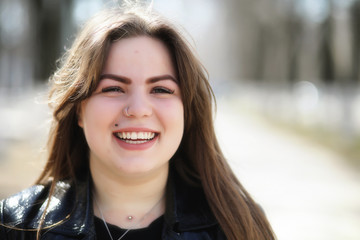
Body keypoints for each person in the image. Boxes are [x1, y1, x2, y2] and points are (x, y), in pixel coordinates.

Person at [0, 5, 276, 240]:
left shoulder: (238, 227)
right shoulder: (16, 225)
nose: (138, 109)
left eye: (161, 89)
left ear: (186, 112)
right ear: (79, 111)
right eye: (113, 89)